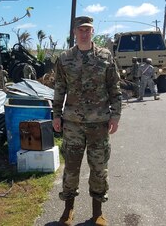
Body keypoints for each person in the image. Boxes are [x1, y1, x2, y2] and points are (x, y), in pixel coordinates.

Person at [53, 16, 122, 226]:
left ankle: (97, 212)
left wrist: (115, 115)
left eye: (88, 29)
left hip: (99, 123)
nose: (84, 33)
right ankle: (68, 210)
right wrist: (56, 114)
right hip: (72, 123)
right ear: (74, 32)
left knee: (99, 168)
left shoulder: (105, 56)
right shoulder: (64, 58)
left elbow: (114, 88)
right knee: (71, 168)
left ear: (92, 32)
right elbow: (59, 89)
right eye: (80, 29)